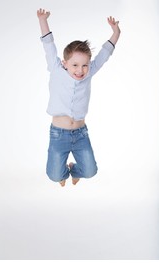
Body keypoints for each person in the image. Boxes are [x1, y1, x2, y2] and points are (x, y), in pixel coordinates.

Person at [37, 8, 120, 187]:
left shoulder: (88, 73)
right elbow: (49, 45)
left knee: (90, 171)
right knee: (54, 176)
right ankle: (62, 172)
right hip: (58, 134)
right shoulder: (56, 70)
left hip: (81, 134)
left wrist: (115, 33)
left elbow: (104, 55)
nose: (80, 70)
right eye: (75, 65)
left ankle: (74, 169)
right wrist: (43, 20)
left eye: (84, 65)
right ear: (64, 63)